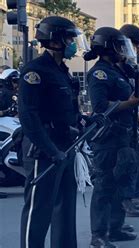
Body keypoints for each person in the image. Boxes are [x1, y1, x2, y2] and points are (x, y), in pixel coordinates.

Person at [18, 16, 87, 248]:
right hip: (44, 149)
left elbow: (66, 110)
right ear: (55, 40)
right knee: (38, 211)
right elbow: (29, 117)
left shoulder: (63, 71)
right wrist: (50, 150)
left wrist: (84, 120)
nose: (73, 43)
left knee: (65, 209)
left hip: (65, 146)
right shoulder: (35, 71)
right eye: (69, 38)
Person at [85, 27, 139, 247]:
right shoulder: (99, 73)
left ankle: (115, 228)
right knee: (104, 186)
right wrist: (128, 104)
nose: (123, 51)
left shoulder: (116, 70)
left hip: (123, 136)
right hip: (108, 137)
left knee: (120, 182)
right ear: (109, 47)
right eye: (120, 46)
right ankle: (98, 235)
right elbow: (99, 106)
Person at [119, 23, 139, 217]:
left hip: (131, 123)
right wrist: (130, 106)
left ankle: (116, 223)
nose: (136, 49)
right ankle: (104, 230)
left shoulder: (126, 66)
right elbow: (102, 105)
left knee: (132, 164)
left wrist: (135, 110)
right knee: (115, 176)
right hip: (115, 130)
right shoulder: (106, 70)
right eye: (134, 44)